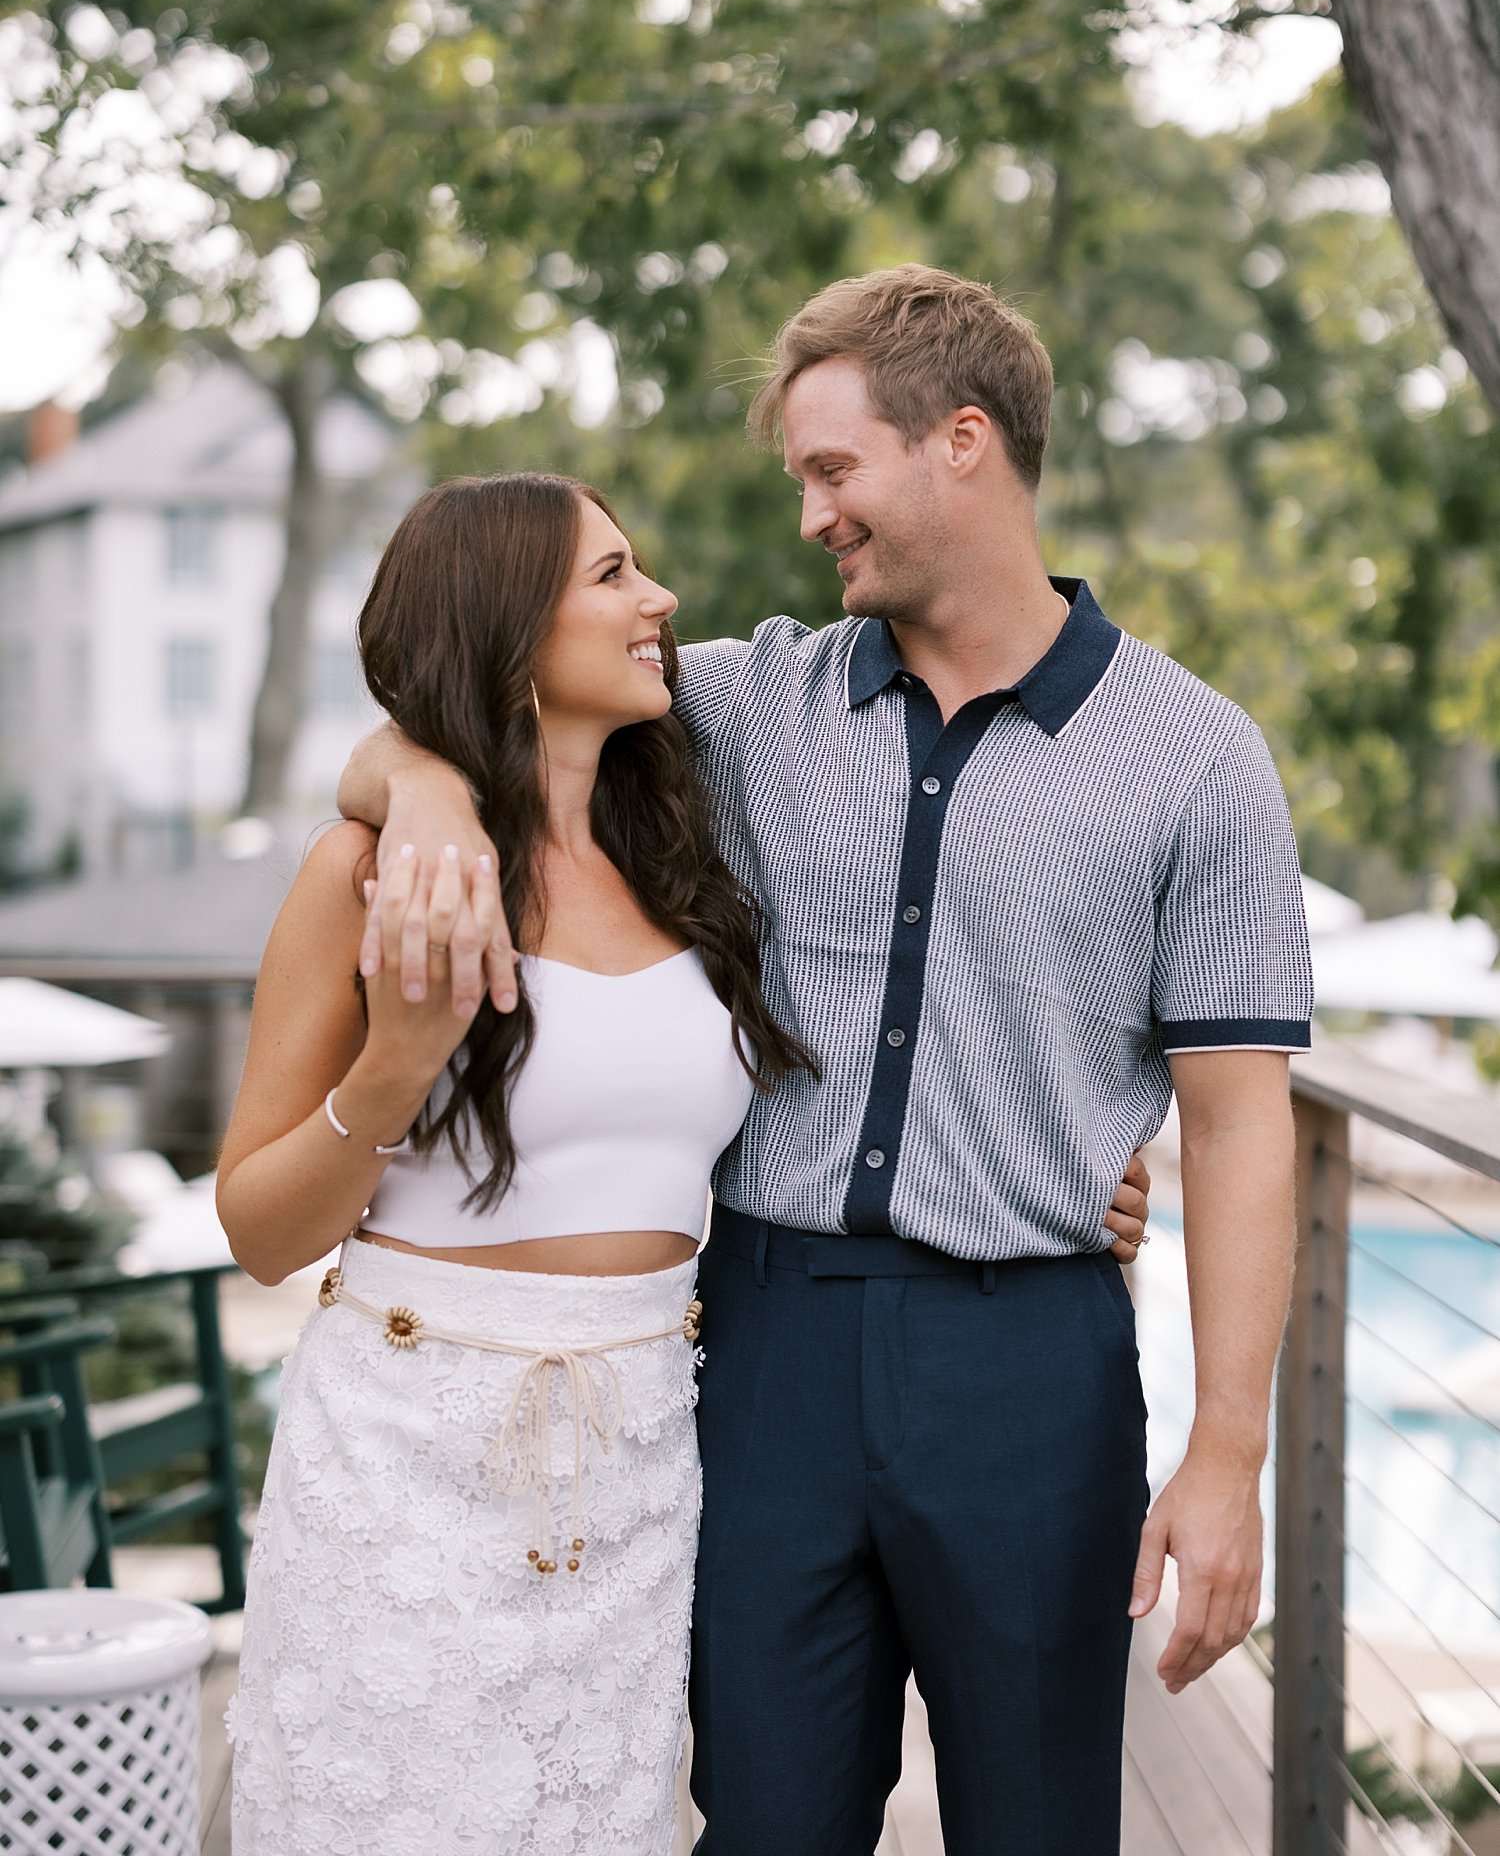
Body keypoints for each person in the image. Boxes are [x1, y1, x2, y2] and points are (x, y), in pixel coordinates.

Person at [340, 269, 1282, 1856]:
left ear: (961, 443)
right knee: (767, 1825)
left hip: (1031, 1364)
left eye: (833, 471)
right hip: (763, 1347)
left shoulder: (1199, 759)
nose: (809, 516)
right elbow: (470, 696)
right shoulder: (731, 700)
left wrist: (1230, 1453)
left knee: (1041, 1830)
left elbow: (1243, 1122)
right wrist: (423, 790)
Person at [218, 463, 1156, 1856]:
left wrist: (1045, 1166)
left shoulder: (682, 842)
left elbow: (880, 1019)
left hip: (642, 1464)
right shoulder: (366, 873)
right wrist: (396, 1064)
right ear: (504, 626)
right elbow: (259, 1229)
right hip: (410, 1453)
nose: (657, 599)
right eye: (610, 578)